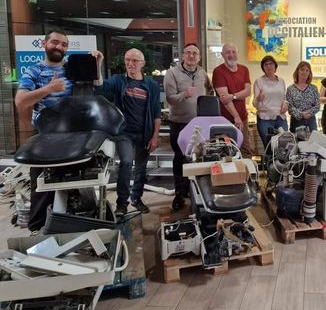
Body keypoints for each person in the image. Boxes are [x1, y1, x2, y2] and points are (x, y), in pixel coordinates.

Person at [15, 30, 103, 233]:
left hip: (75, 135)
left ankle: (77, 221)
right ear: (44, 44)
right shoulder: (33, 71)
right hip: (46, 136)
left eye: (63, 44)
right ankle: (37, 228)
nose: (59, 47)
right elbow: (20, 102)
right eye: (55, 42)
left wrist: (97, 63)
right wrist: (48, 89)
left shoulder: (72, 68)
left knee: (79, 182)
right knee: (42, 186)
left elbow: (97, 84)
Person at [95, 48, 161, 216]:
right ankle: (121, 204)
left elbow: (156, 112)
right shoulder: (118, 81)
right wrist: (98, 65)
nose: (130, 64)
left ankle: (136, 199)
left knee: (141, 168)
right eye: (127, 60)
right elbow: (100, 89)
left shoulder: (151, 85)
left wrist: (155, 136)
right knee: (126, 163)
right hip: (124, 132)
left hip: (144, 133)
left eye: (134, 61)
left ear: (142, 64)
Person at [163, 43, 214, 211]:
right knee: (179, 157)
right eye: (188, 53)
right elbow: (170, 99)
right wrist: (184, 95)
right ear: (183, 56)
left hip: (198, 124)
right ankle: (180, 193)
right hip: (179, 123)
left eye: (195, 53)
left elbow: (210, 93)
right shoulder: (172, 73)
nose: (192, 56)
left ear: (199, 57)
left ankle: (195, 191)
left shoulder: (203, 74)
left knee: (198, 157)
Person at [212, 43, 252, 157]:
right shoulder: (218, 71)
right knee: (227, 152)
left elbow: (248, 92)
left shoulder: (244, 69)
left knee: (245, 150)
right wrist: (236, 116)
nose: (231, 55)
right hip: (226, 120)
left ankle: (246, 175)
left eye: (233, 52)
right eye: (228, 52)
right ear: (222, 55)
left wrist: (233, 96)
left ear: (237, 54)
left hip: (243, 118)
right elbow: (225, 99)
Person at [253, 55, 288, 146]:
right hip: (265, 119)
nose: (268, 66)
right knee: (269, 147)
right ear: (263, 67)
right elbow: (255, 104)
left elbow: (284, 98)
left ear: (275, 66)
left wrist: (285, 103)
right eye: (266, 64)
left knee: (284, 146)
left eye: (271, 64)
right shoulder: (259, 81)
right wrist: (258, 99)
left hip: (280, 118)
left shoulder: (281, 81)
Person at [286, 61, 320, 132]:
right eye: (302, 69)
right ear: (297, 71)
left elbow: (317, 105)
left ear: (309, 73)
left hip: (311, 122)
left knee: (312, 142)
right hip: (296, 122)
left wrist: (309, 112)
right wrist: (301, 114)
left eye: (307, 70)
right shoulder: (290, 89)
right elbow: (290, 107)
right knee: (297, 143)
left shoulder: (314, 88)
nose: (304, 72)